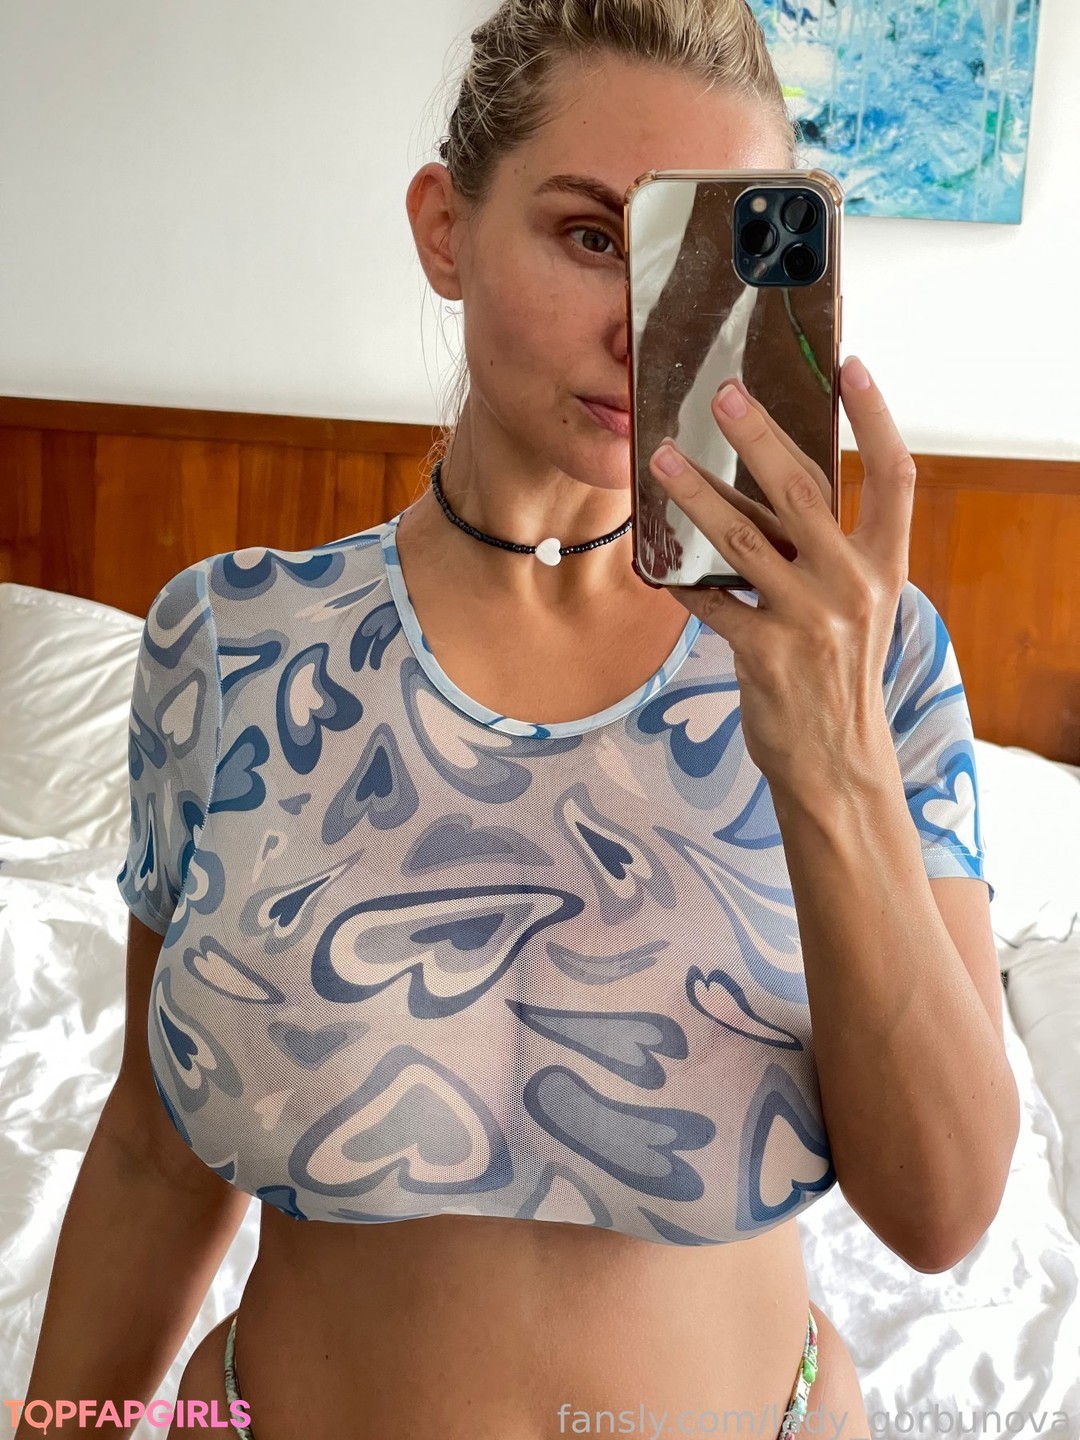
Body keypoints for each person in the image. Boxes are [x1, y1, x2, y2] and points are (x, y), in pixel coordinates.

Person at [18, 3, 1018, 1439]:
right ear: (447, 231)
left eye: (710, 255)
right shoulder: (231, 644)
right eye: (593, 235)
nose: (646, 324)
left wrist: (836, 765)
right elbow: (152, 1153)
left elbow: (943, 1214)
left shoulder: (869, 655)